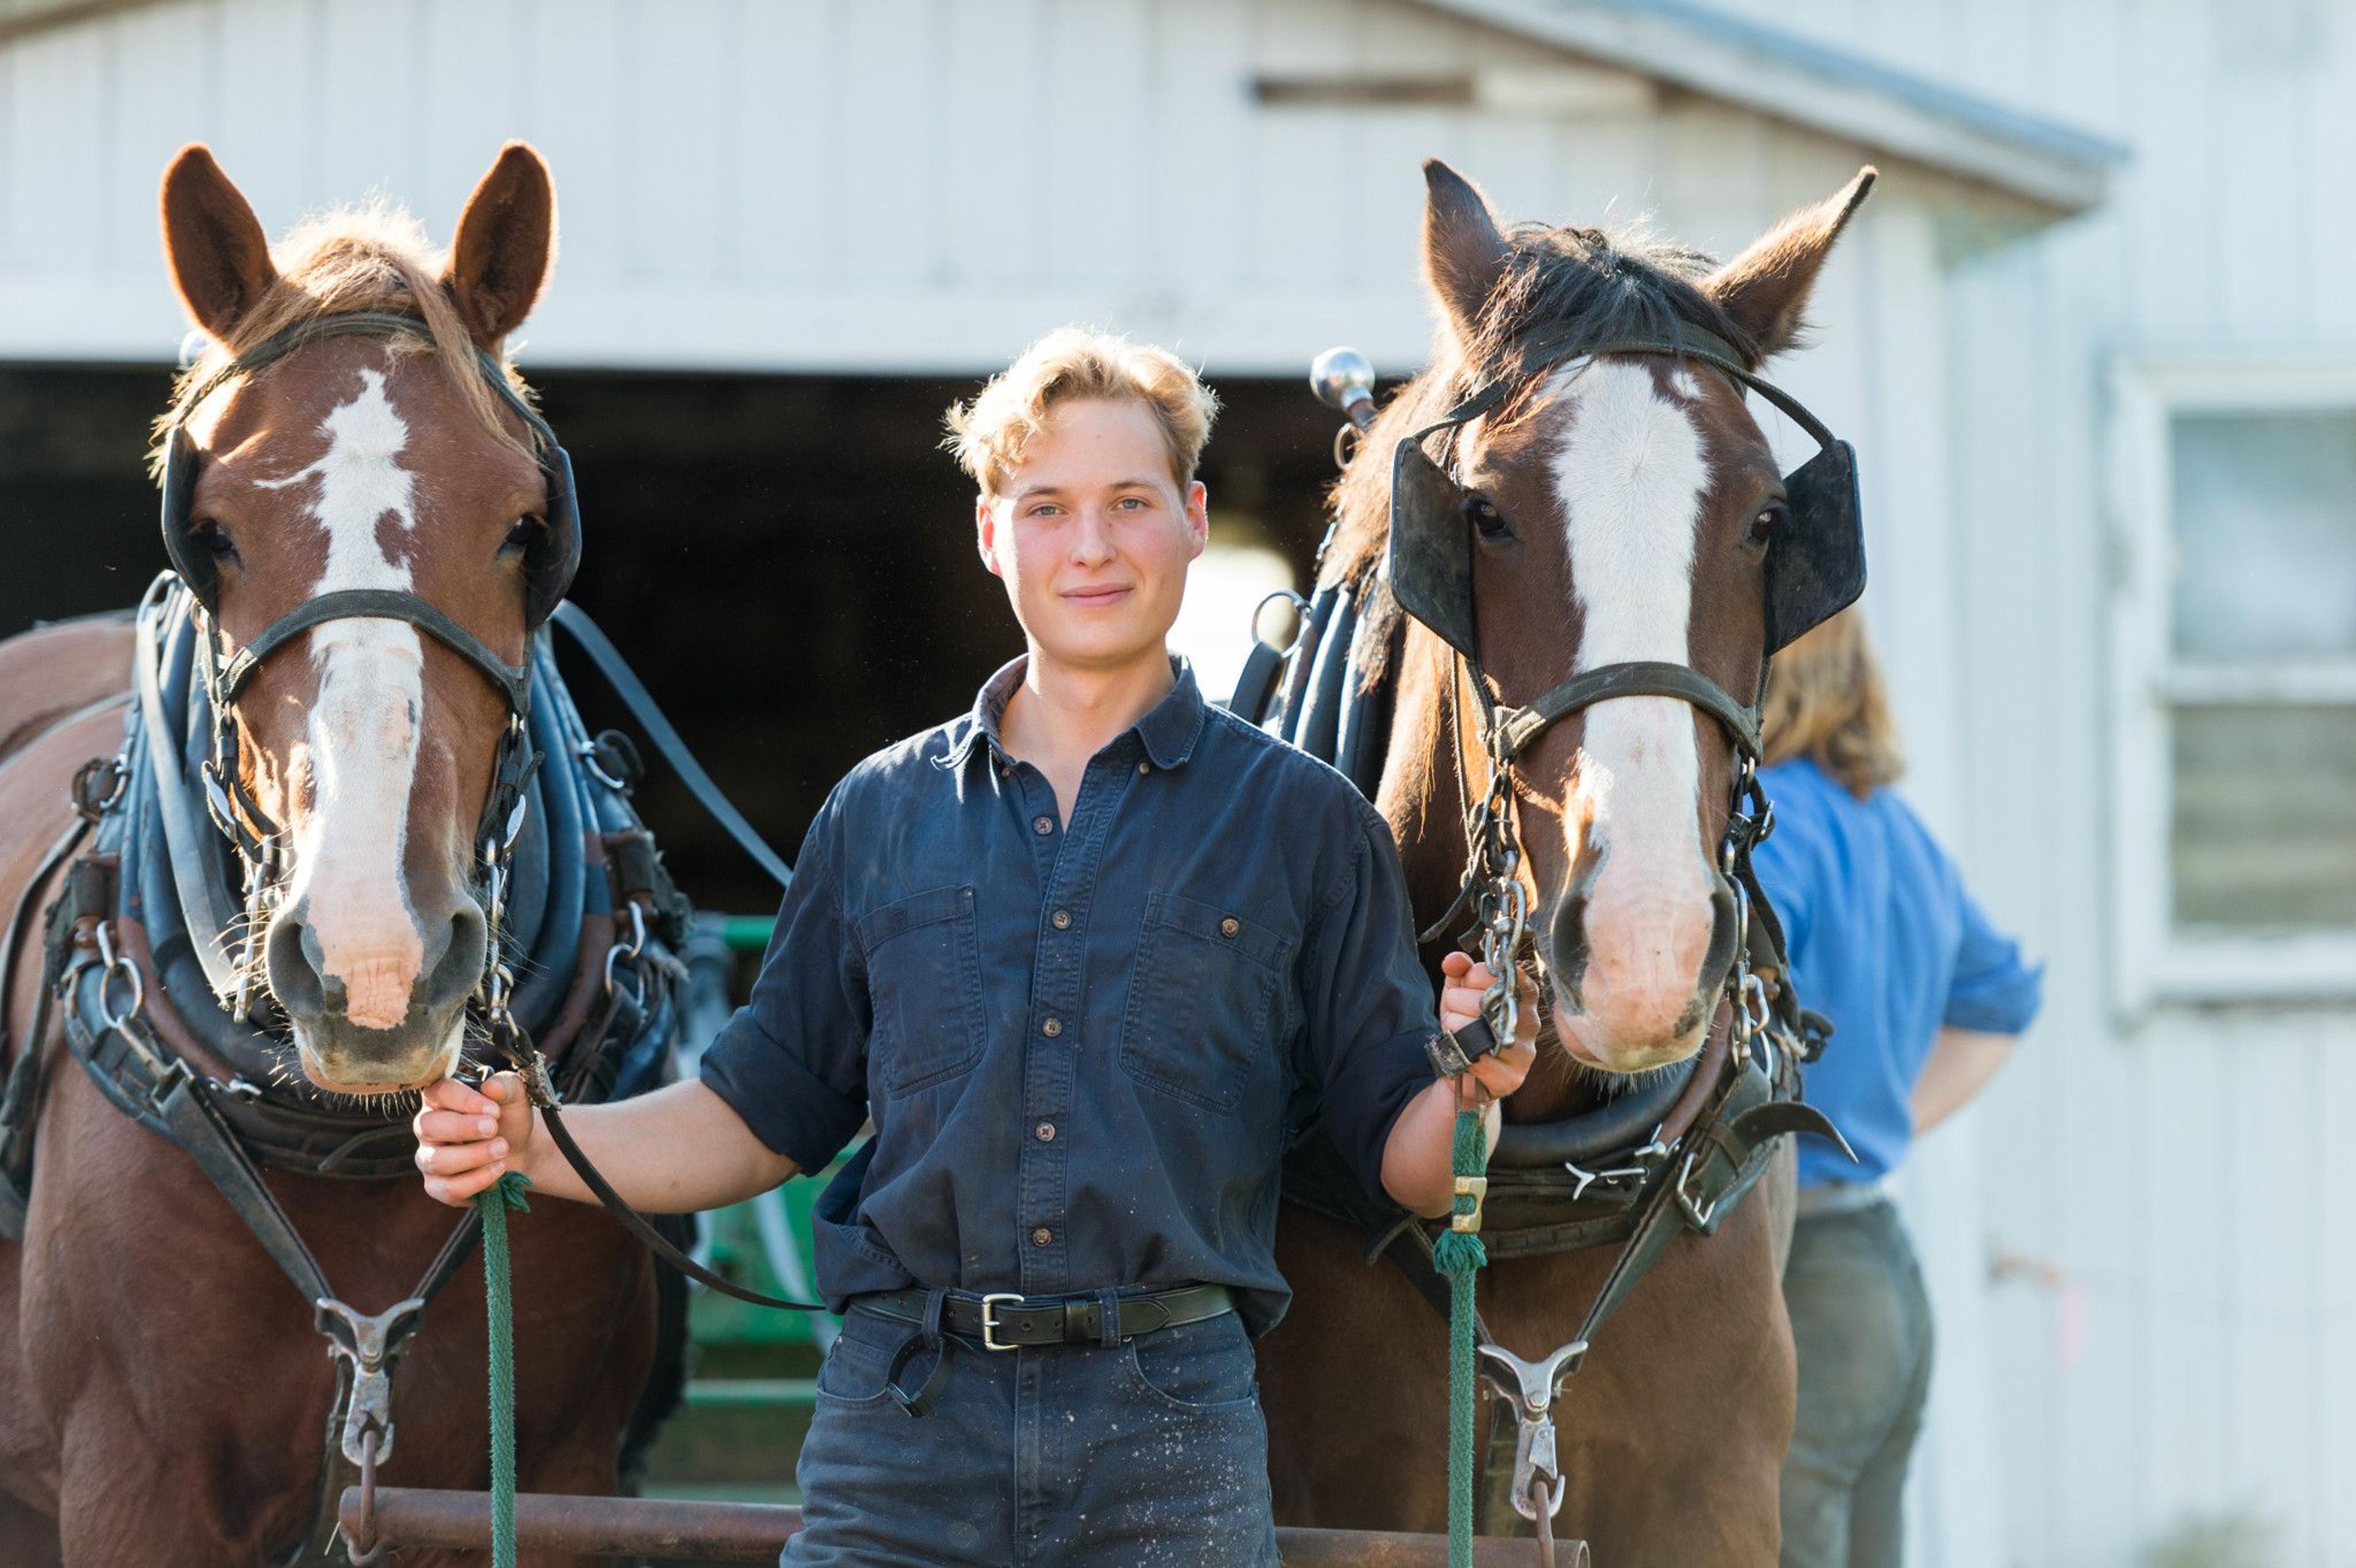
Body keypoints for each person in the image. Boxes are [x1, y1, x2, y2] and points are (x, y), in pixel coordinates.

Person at [410, 327, 1538, 1567]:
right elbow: (762, 1111)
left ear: (1195, 518)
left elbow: (1410, 1161)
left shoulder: (1308, 824)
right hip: (901, 1434)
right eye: (1048, 508)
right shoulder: (881, 815)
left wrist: (1472, 1090)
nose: (1092, 545)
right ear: (993, 537)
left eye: (1129, 503)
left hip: (1172, 1441)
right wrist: (533, 1138)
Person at [1754, 609, 2042, 1568]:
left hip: (1800, 1276)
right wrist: (1889, 1120)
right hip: (1884, 1267)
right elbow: (2003, 997)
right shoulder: (1900, 834)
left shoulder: (1767, 828)